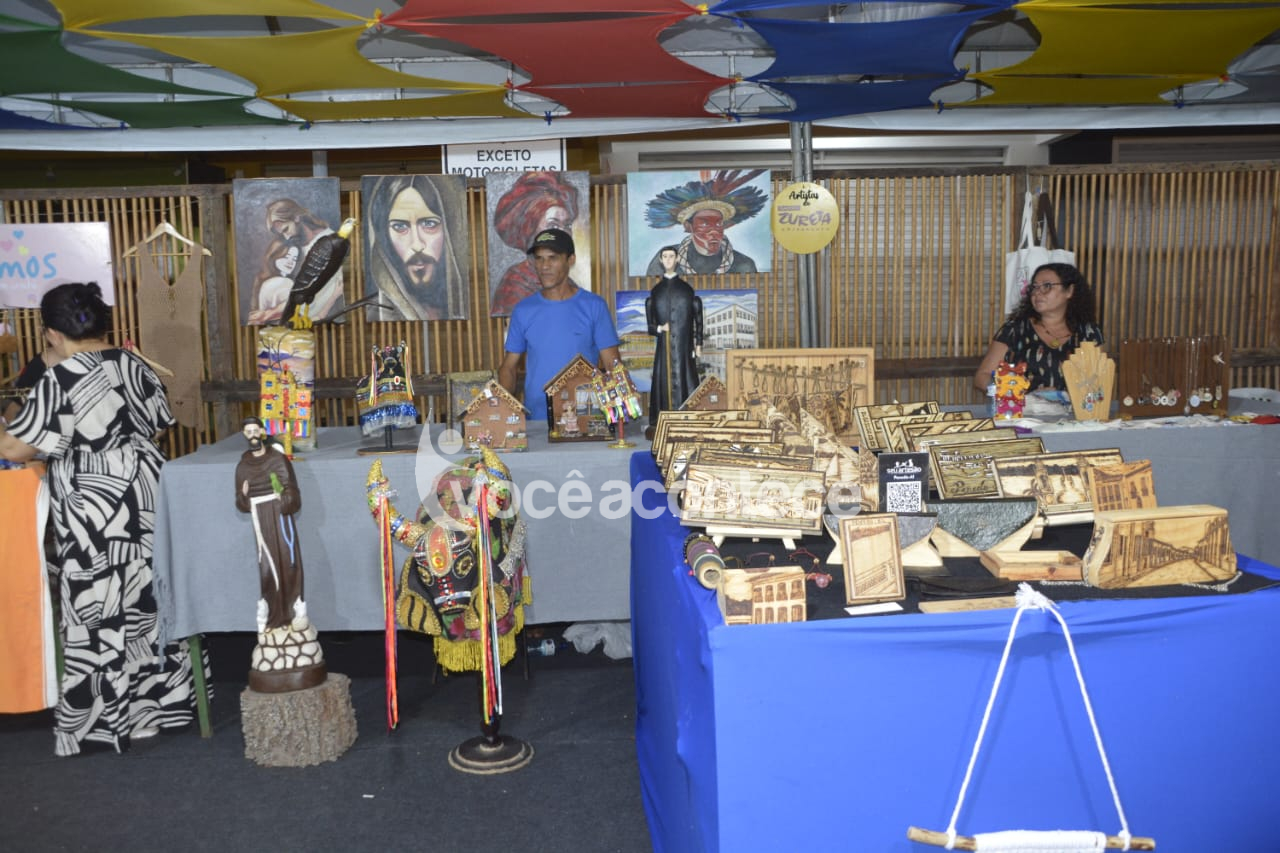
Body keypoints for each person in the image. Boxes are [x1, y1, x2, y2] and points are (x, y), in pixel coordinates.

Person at [0, 282, 199, 756]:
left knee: (98, 602)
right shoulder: (134, 364)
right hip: (148, 487)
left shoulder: (61, 378)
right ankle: (160, 708)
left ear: (51, 334)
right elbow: (158, 424)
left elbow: (16, 447)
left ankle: (110, 718)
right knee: (149, 594)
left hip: (94, 502)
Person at [498, 228, 621, 422]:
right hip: (537, 420)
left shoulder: (594, 306)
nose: (544, 266)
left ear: (570, 260)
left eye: (552, 258)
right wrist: (504, 409)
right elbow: (508, 368)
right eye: (539, 259)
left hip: (585, 419)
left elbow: (612, 366)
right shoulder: (523, 310)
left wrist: (617, 413)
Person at [973, 262, 1104, 393]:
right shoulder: (1014, 329)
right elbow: (981, 377)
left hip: (1073, 406)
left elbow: (1099, 381)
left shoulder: (1088, 333)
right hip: (1023, 405)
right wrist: (1013, 392)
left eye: (1047, 286)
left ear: (1069, 291)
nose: (1037, 293)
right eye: (1034, 287)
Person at [235, 417, 308, 634]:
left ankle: (295, 613)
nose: (252, 435)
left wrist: (283, 498)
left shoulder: (277, 459)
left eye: (255, 430)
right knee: (267, 569)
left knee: (289, 563)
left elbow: (292, 490)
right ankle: (274, 616)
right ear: (244, 435)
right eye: (248, 432)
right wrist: (244, 496)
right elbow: (240, 501)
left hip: (280, 517)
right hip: (260, 520)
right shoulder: (242, 466)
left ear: (262, 431)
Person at [363, 175, 468, 321]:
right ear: (385, 236)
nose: (417, 245)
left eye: (429, 224)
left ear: (450, 230)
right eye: (400, 226)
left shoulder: (464, 306)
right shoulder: (377, 312)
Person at [644, 169, 768, 275]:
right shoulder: (666, 259)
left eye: (718, 224)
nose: (714, 231)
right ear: (689, 226)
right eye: (704, 224)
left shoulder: (744, 265)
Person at [490, 171, 581, 315]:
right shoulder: (515, 286)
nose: (562, 233)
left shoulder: (570, 285)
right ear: (530, 228)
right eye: (553, 224)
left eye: (567, 225)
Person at [645, 245, 703, 438]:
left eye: (672, 256)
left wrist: (698, 344)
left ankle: (687, 417)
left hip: (684, 349)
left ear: (677, 259)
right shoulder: (655, 292)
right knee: (663, 382)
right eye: (665, 257)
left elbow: (697, 320)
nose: (669, 260)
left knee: (687, 379)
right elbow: (650, 326)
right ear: (661, 260)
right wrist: (660, 329)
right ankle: (663, 417)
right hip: (664, 350)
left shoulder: (687, 291)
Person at [262, 197, 344, 321]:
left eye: (286, 230)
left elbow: (330, 291)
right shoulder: (294, 250)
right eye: (282, 234)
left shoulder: (329, 242)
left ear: (296, 218)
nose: (287, 237)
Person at [247, 240, 300, 325]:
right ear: (274, 256)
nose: (290, 262)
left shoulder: (263, 282)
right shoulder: (286, 282)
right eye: (286, 257)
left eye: (294, 259)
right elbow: (294, 305)